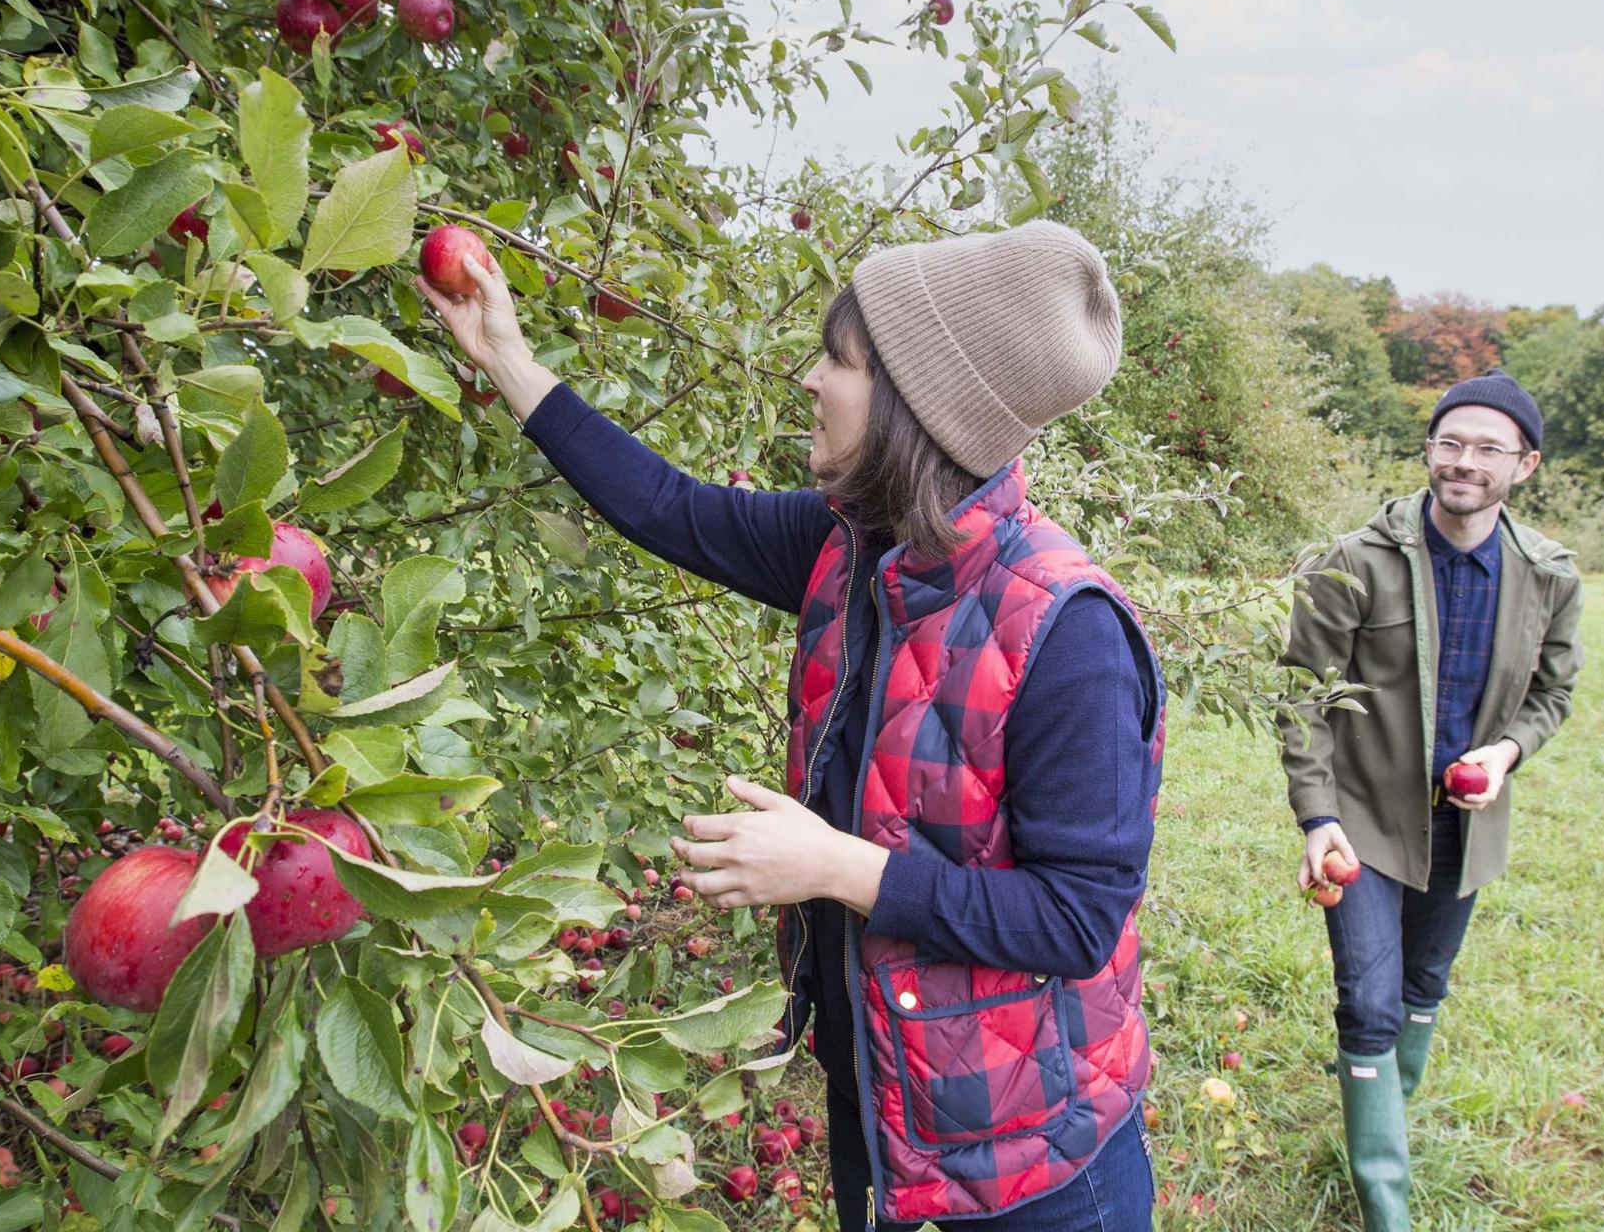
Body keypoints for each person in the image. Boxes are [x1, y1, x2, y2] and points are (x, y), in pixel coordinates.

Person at [421, 222, 1165, 1231]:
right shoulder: (852, 546)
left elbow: (1079, 919)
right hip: (891, 1103)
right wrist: (506, 355)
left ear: (917, 401)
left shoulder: (1065, 631)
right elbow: (669, 507)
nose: (810, 379)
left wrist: (833, 865)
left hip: (1035, 1159)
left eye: (841, 360)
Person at [1279, 368, 1585, 1230]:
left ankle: (1389, 1122)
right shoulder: (1354, 561)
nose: (1466, 461)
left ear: (1523, 465)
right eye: (1452, 442)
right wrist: (1319, 815)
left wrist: (1506, 750)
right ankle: (1385, 1200)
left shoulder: (1549, 575)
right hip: (1364, 823)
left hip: (1467, 824)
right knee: (1369, 997)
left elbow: (1553, 694)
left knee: (1423, 983)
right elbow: (1302, 694)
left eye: (1489, 447)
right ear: (1428, 452)